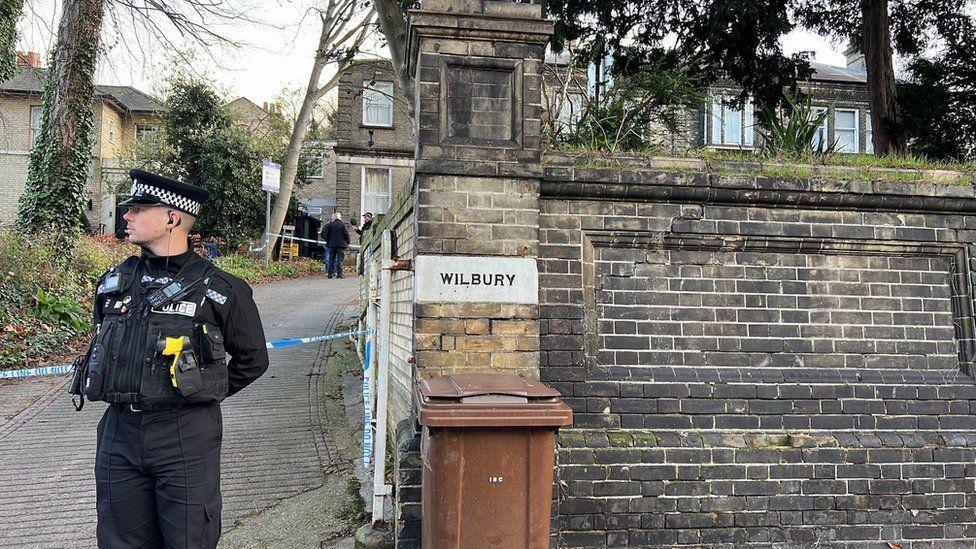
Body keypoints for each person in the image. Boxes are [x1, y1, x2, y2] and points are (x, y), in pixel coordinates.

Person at [71, 169, 269, 549]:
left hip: (185, 433)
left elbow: (252, 360)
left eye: (139, 208)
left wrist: (201, 389)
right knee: (118, 541)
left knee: (188, 539)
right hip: (118, 433)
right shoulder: (114, 282)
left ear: (172, 218)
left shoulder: (222, 290)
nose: (126, 215)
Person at [321, 211, 350, 279]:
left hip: (331, 245)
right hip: (340, 245)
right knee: (339, 259)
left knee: (331, 259)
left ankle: (330, 274)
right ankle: (339, 274)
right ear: (339, 217)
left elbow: (324, 234)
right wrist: (347, 242)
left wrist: (328, 240)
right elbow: (346, 234)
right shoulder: (342, 224)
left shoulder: (330, 224)